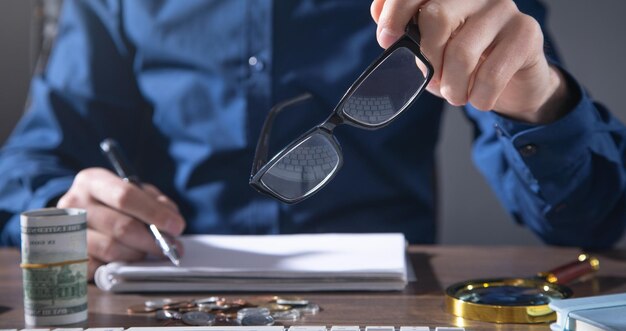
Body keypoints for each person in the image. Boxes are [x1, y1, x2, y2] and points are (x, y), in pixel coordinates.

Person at [0, 0, 624, 279]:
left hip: (390, 308)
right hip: (167, 296)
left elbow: (595, 221)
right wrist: (67, 206)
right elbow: (31, 162)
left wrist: (535, 99)